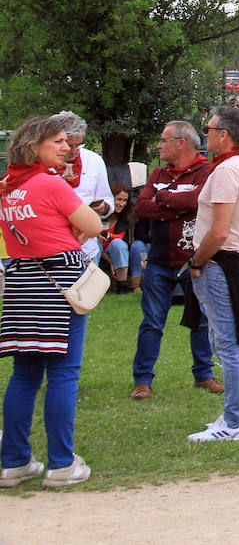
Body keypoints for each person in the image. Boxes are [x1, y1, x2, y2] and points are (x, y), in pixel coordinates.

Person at [0, 115, 105, 488]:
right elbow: (94, 226)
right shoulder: (49, 183)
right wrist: (72, 228)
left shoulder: (7, 188)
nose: (66, 147)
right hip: (60, 282)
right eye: (58, 141)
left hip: (22, 283)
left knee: (24, 374)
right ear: (36, 145)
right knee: (63, 373)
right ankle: (61, 464)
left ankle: (13, 462)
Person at [184, 104, 239, 442]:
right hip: (232, 261)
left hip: (221, 263)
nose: (205, 135)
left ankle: (233, 423)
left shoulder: (228, 171)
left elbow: (219, 231)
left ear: (224, 135)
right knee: (223, 341)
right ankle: (230, 418)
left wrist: (197, 262)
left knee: (228, 345)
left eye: (209, 129)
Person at [130, 120, 221, 402]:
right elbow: (142, 207)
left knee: (201, 321)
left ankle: (204, 375)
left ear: (181, 142)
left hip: (194, 261)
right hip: (158, 261)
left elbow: (199, 202)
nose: (158, 145)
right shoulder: (157, 172)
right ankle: (142, 381)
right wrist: (176, 205)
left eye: (163, 140)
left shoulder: (206, 172)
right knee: (152, 322)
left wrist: (164, 199)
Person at [52, 112, 113, 266]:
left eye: (78, 145)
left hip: (88, 250)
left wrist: (103, 207)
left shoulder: (94, 160)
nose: (74, 150)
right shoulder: (43, 164)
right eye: (69, 145)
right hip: (53, 249)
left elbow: (108, 200)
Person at [100, 182, 137, 293]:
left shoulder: (125, 219)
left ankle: (122, 285)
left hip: (116, 251)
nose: (122, 204)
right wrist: (109, 261)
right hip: (99, 250)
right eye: (119, 199)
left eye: (125, 200)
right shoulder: (100, 215)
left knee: (119, 244)